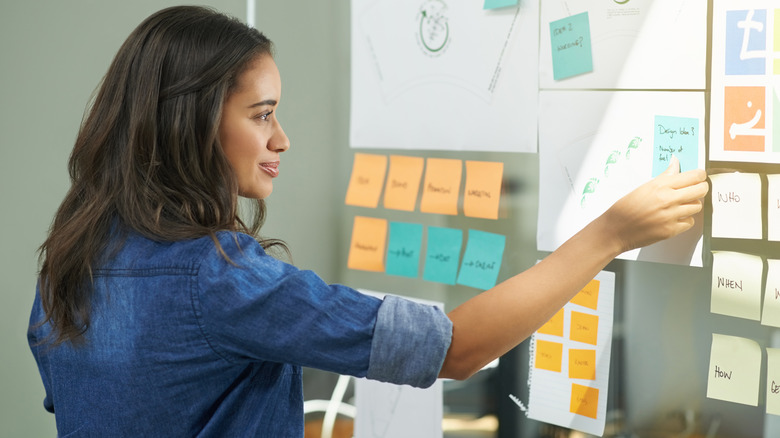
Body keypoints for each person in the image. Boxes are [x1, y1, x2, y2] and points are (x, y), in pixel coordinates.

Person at [28, 5, 709, 437]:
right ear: (193, 120)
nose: (282, 139)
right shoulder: (220, 279)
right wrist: (610, 234)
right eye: (262, 115)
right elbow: (456, 348)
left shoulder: (71, 261)